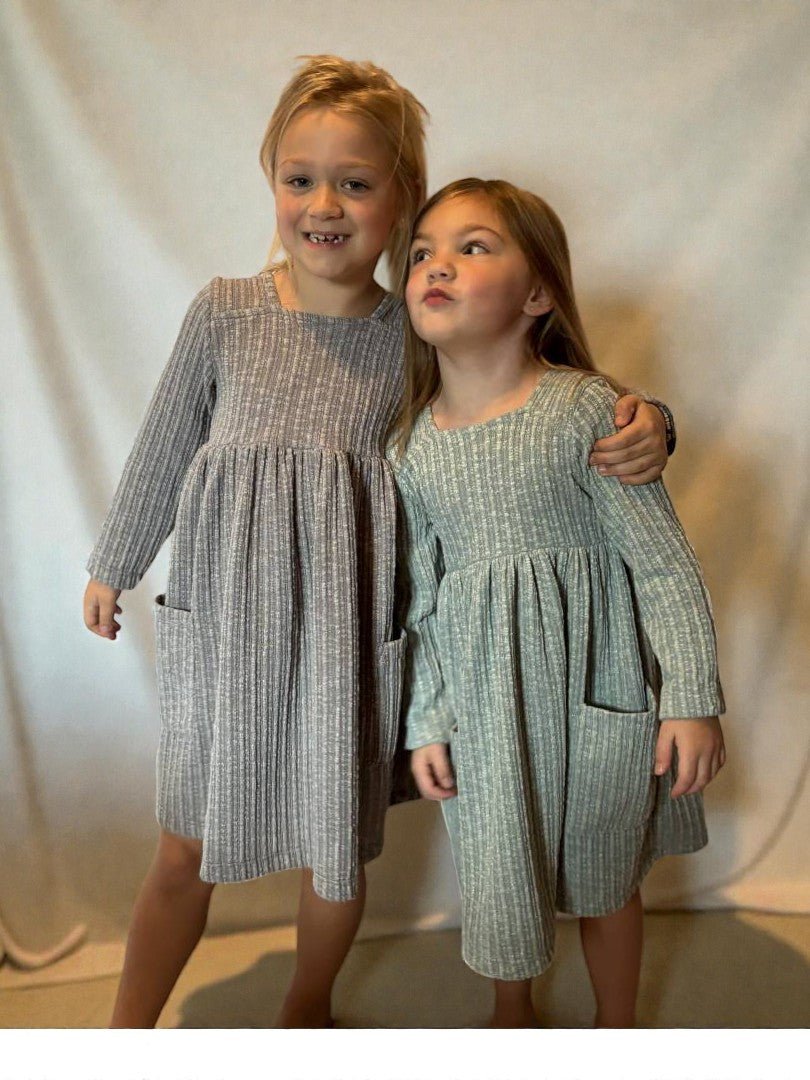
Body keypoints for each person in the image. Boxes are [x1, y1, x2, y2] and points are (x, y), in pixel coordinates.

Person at [82, 56, 671, 1029]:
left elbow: (537, 388)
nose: (324, 203)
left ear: (402, 201)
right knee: (183, 842)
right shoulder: (225, 311)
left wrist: (656, 422)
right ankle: (122, 1032)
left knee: (335, 846)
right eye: (299, 178)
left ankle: (306, 1004)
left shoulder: (419, 331)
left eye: (355, 182)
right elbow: (164, 442)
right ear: (271, 180)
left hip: (347, 643)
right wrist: (115, 559)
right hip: (225, 628)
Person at [390, 178, 726, 1029]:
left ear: (538, 292)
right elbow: (418, 602)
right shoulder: (413, 448)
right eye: (424, 251)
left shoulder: (585, 408)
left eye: (473, 247)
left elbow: (661, 566)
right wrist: (425, 720)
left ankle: (618, 1027)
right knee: (502, 875)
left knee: (608, 875)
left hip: (597, 697)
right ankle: (514, 1014)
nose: (438, 265)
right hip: (485, 716)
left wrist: (691, 697)